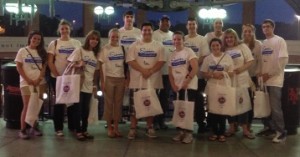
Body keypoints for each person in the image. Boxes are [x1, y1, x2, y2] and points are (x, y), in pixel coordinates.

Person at [126, 22, 165, 139]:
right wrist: (143, 70)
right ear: (141, 31)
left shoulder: (159, 46)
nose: (147, 32)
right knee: (134, 107)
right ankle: (133, 128)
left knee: (150, 106)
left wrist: (150, 71)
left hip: (153, 81)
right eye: (145, 30)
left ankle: (149, 127)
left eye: (149, 30)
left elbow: (161, 61)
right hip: (136, 81)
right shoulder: (134, 45)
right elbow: (130, 61)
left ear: (152, 31)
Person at [256, 19, 288, 143]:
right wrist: (260, 73)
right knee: (265, 107)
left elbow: (282, 61)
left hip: (274, 80)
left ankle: (281, 132)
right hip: (263, 81)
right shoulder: (263, 43)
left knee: (275, 108)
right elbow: (261, 61)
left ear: (273, 28)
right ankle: (270, 127)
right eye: (263, 27)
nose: (265, 29)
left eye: (268, 26)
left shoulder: (280, 41)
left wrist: (268, 75)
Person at [47, 19, 81, 136]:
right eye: (62, 28)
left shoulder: (76, 43)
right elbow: (50, 62)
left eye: (66, 28)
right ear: (59, 30)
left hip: (71, 78)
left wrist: (78, 65)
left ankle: (72, 126)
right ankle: (58, 128)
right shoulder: (54, 43)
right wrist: (58, 76)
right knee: (59, 102)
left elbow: (80, 59)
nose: (64, 30)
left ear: (70, 29)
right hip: (57, 77)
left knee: (72, 101)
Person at [67, 30, 100, 141]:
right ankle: (78, 130)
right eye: (92, 38)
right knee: (78, 108)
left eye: (96, 39)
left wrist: (95, 85)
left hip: (89, 84)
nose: (94, 41)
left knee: (86, 109)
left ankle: (84, 129)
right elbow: (69, 63)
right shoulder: (79, 50)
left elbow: (96, 71)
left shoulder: (96, 54)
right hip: (78, 83)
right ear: (88, 39)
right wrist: (78, 64)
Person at [222, 28, 255, 139]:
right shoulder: (223, 49)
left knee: (243, 104)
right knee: (230, 104)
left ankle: (245, 129)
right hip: (228, 81)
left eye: (231, 37)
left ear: (235, 38)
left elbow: (250, 60)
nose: (229, 39)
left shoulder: (242, 47)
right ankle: (231, 127)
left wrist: (240, 70)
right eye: (227, 37)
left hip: (241, 79)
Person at [15, 30, 47, 139]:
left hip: (40, 83)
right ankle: (23, 130)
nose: (36, 41)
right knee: (27, 105)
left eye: (39, 39)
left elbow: (44, 68)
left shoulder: (42, 52)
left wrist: (39, 79)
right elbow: (18, 66)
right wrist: (28, 79)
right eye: (34, 38)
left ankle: (34, 128)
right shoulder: (22, 51)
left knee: (36, 105)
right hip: (26, 83)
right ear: (30, 38)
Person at [201, 38, 234, 142]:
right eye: (213, 46)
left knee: (222, 109)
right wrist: (212, 75)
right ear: (210, 47)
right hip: (212, 87)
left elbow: (232, 72)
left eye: (217, 45)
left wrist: (222, 74)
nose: (215, 47)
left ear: (221, 46)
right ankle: (214, 132)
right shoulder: (207, 58)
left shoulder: (227, 57)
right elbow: (203, 73)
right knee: (212, 110)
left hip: (224, 87)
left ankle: (222, 132)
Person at [169, 31, 198, 144]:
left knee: (188, 109)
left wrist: (187, 80)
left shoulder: (188, 51)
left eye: (179, 39)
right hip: (178, 87)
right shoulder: (172, 54)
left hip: (188, 86)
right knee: (179, 109)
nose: (177, 41)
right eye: (175, 39)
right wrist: (173, 85)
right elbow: (170, 73)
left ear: (183, 40)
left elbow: (195, 68)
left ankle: (189, 133)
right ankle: (180, 132)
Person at [184, 17, 210, 134]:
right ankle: (185, 125)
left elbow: (204, 56)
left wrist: (193, 66)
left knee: (199, 102)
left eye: (193, 24)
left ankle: (201, 124)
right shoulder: (183, 39)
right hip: (185, 77)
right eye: (189, 24)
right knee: (187, 102)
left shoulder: (202, 39)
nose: (191, 26)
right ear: (187, 26)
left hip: (198, 76)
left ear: (197, 26)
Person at [99, 28, 127, 138]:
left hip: (120, 78)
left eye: (117, 37)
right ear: (109, 37)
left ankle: (116, 127)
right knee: (109, 104)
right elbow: (101, 67)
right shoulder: (105, 49)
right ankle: (109, 128)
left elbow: (126, 66)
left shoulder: (123, 48)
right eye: (113, 37)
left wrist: (126, 79)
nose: (115, 39)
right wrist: (102, 81)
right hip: (109, 78)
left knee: (118, 105)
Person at [152, 15, 174, 130]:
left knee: (165, 98)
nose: (165, 23)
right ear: (159, 23)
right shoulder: (154, 34)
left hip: (168, 72)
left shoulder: (173, 35)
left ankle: (162, 120)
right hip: (156, 71)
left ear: (170, 24)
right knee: (154, 97)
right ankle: (154, 121)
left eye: (167, 21)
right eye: (163, 21)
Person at [241, 24, 262, 132]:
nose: (247, 33)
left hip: (253, 78)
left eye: (250, 31)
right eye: (245, 31)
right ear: (242, 32)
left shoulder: (258, 44)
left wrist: (258, 76)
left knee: (251, 102)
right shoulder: (240, 44)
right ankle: (237, 124)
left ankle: (248, 124)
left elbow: (260, 62)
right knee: (241, 101)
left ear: (253, 32)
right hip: (242, 77)